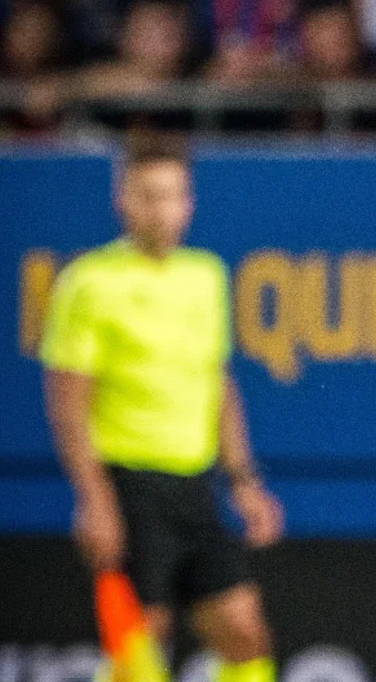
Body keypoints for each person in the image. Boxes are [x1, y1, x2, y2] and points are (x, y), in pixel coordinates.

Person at [40, 138, 284, 682]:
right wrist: (94, 499)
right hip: (128, 485)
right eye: (148, 196)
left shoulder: (207, 275)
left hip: (194, 486)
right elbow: (67, 403)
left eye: (173, 195)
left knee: (245, 634)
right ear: (122, 200)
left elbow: (218, 383)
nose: (162, 210)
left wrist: (244, 480)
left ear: (190, 202)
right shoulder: (88, 282)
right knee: (140, 651)